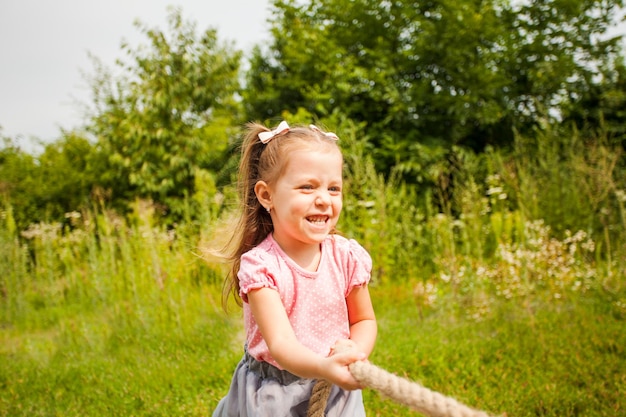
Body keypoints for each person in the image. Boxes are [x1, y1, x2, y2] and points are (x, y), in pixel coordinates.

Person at [213, 121, 378, 417]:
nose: (323, 199)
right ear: (267, 196)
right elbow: (281, 344)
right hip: (276, 395)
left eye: (333, 188)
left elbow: (364, 319)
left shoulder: (346, 256)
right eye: (307, 187)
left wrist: (356, 351)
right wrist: (323, 367)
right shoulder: (262, 267)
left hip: (335, 390)